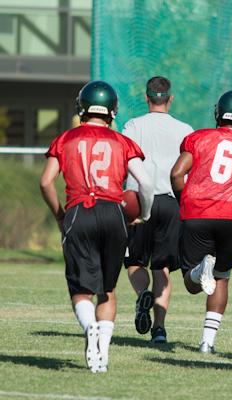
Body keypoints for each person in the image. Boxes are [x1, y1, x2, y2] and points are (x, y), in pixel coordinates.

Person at [39, 80, 153, 373]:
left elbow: (45, 181)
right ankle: (101, 356)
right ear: (112, 111)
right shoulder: (123, 142)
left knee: (80, 289)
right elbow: (146, 184)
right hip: (114, 215)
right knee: (108, 289)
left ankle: (89, 327)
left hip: (80, 212)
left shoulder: (66, 138)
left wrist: (59, 215)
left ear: (83, 108)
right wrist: (145, 213)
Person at [171, 90, 232, 354]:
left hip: (198, 211)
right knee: (222, 278)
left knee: (191, 282)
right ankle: (207, 343)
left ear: (218, 112)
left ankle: (198, 270)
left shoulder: (198, 138)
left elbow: (176, 173)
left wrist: (183, 200)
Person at [122, 76, 193, 344]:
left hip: (140, 200)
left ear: (146, 97)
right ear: (170, 99)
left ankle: (143, 295)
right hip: (172, 200)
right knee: (162, 267)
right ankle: (160, 330)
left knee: (134, 261)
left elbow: (125, 160)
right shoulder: (185, 128)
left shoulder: (133, 125)